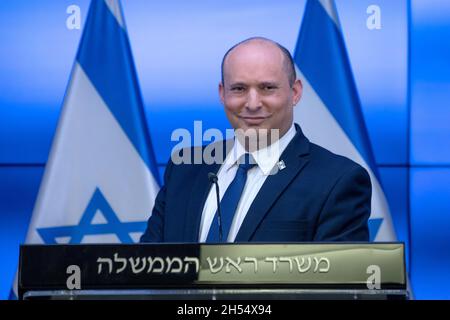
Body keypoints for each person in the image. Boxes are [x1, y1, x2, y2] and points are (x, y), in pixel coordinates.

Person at [141, 37, 371, 243]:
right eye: (239, 88)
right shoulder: (185, 168)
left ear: (296, 92)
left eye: (267, 88)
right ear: (222, 94)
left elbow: (336, 285)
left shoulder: (338, 180)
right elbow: (149, 268)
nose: (252, 104)